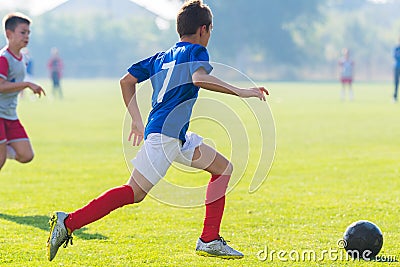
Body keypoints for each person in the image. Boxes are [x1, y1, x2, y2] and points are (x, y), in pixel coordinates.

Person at [46, 0, 268, 261]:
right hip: (165, 136)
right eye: (210, 31)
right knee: (134, 192)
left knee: (222, 169)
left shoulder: (161, 57)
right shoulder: (197, 50)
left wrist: (137, 121)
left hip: (176, 136)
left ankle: (209, 239)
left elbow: (126, 80)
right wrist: (242, 91)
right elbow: (199, 78)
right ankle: (68, 222)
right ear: (203, 30)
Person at [0, 13, 45, 171]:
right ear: (8, 34)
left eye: (28, 33)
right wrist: (26, 84)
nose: (27, 36)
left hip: (10, 114)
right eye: (22, 32)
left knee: (26, 155)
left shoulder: (23, 58)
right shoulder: (4, 58)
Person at [393, 38, 400, 102]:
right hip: (397, 67)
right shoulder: (396, 48)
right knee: (396, 82)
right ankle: (395, 97)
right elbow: (395, 56)